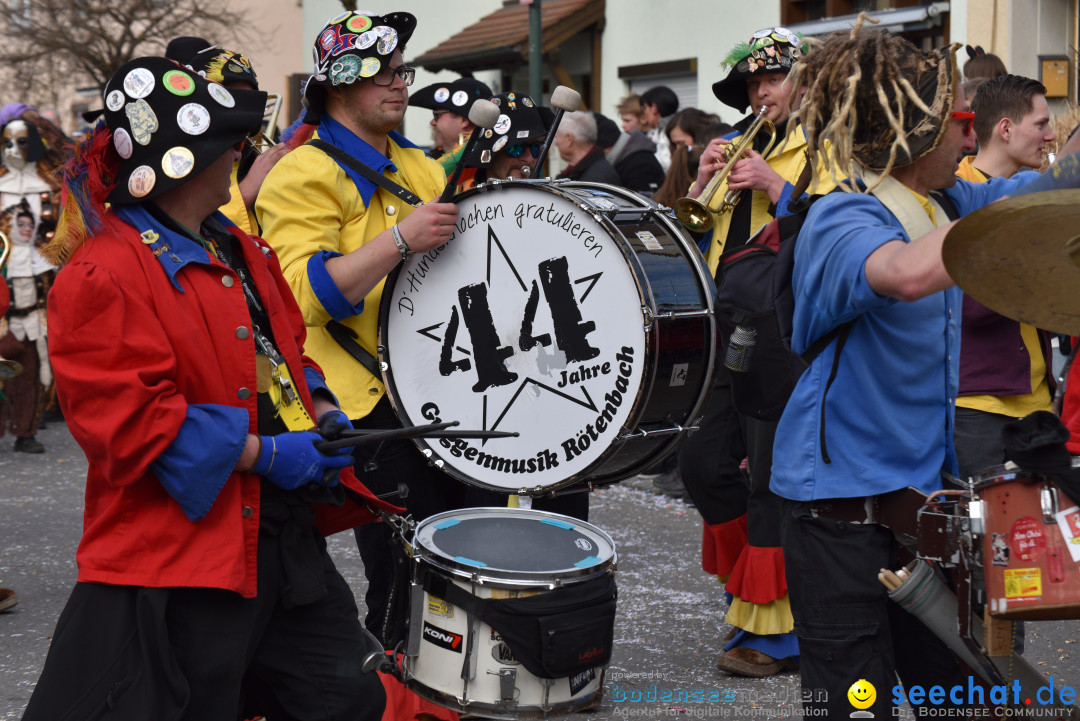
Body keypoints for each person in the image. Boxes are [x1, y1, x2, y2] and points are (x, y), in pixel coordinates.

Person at [21, 55, 395, 721]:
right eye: (232, 144)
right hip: (185, 558)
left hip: (280, 539)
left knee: (348, 695)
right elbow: (130, 424)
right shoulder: (100, 274)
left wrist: (325, 409)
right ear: (185, 159)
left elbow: (287, 353)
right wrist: (266, 453)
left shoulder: (242, 250)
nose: (242, 158)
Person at [771, 21, 1061, 718]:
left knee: (963, 698)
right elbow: (901, 275)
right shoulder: (843, 217)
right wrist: (994, 228)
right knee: (853, 706)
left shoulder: (941, 200)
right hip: (837, 521)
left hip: (920, 513)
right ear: (913, 136)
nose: (973, 138)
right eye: (960, 125)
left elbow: (1022, 201)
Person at [255, 10, 467, 644]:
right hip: (356, 404)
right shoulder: (301, 173)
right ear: (337, 87)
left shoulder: (422, 168)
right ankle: (398, 697)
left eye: (401, 70)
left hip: (433, 385)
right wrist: (398, 239)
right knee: (400, 573)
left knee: (449, 560)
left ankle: (441, 690)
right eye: (380, 74)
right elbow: (301, 295)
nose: (399, 85)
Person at [679, 26, 830, 678]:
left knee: (770, 476)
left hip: (783, 323)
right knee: (703, 464)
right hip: (725, 317)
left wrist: (777, 185)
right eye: (753, 83)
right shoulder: (738, 138)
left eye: (772, 79)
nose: (761, 91)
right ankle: (751, 590)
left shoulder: (828, 141)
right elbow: (699, 226)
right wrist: (702, 183)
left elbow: (840, 223)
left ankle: (774, 634)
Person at [954, 74, 1056, 478]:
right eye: (1041, 124)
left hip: (1038, 401)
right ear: (1006, 129)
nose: (1049, 136)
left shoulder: (1031, 192)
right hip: (980, 408)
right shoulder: (957, 194)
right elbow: (970, 306)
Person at [165, 38, 290, 235]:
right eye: (227, 99)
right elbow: (172, 229)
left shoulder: (251, 152)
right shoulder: (166, 157)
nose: (239, 114)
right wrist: (247, 189)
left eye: (247, 102)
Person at [0, 111, 66, 453]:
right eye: (7, 142)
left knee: (35, 357)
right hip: (1, 282)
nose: (12, 149)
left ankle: (27, 429)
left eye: (21, 142)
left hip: (41, 280)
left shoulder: (49, 189)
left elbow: (60, 239)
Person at [450, 90, 552, 192]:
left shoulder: (548, 203)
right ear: (489, 154)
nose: (529, 159)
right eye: (516, 148)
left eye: (536, 148)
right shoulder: (459, 203)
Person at [409, 75, 493, 165]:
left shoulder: (485, 168)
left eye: (437, 115)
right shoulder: (429, 162)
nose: (432, 122)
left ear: (463, 121)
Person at [597, 111, 665, 196]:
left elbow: (643, 204)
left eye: (627, 120)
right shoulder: (625, 157)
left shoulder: (640, 164)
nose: (623, 125)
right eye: (623, 120)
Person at [554, 110, 620, 184]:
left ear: (569, 139)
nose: (555, 143)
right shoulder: (585, 173)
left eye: (557, 137)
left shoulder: (596, 180)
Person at [640, 85, 679, 171]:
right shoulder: (657, 132)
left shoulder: (672, 133)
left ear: (653, 108)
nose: (644, 113)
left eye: (645, 108)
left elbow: (666, 166)